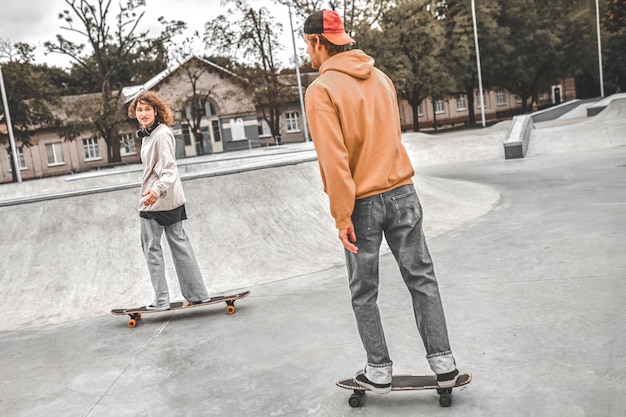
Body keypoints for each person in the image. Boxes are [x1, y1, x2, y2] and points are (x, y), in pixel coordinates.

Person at [303, 10, 460, 394]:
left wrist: (342, 215)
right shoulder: (381, 77)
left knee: (364, 291)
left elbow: (334, 160)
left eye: (306, 45)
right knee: (422, 280)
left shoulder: (321, 90)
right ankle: (444, 364)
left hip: (362, 204)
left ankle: (378, 370)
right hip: (404, 192)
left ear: (315, 42)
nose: (307, 53)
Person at [127, 91, 211, 310]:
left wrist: (155, 190)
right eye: (139, 110)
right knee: (179, 243)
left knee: (151, 248)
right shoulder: (151, 134)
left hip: (155, 198)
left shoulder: (160, 135)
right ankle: (197, 294)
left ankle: (161, 300)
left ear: (156, 111)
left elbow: (169, 170)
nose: (143, 113)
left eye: (147, 109)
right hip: (172, 198)